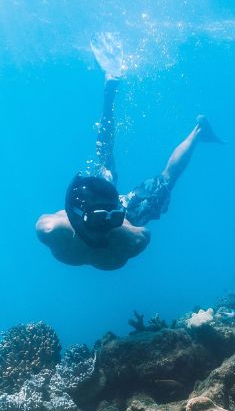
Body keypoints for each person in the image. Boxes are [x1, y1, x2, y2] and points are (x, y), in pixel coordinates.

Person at [36, 36, 222, 270]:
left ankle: (198, 131)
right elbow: (50, 220)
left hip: (117, 206)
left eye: (108, 220)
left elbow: (143, 234)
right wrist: (103, 213)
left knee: (120, 161)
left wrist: (116, 217)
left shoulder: (130, 237)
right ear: (74, 217)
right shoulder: (54, 230)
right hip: (99, 200)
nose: (102, 230)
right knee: (157, 177)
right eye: (96, 221)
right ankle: (196, 129)